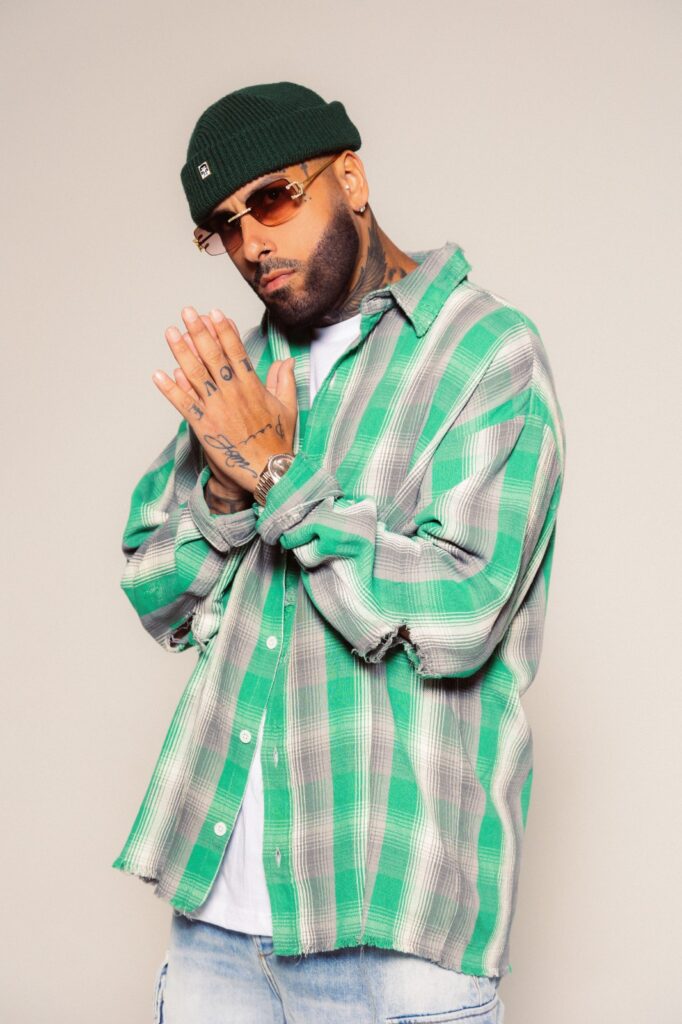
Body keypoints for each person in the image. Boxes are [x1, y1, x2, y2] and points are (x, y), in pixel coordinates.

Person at [112, 81, 566, 1023]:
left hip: (392, 939)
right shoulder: (243, 373)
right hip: (216, 936)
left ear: (350, 178)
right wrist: (226, 494)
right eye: (225, 226)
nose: (252, 244)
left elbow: (461, 614)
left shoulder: (487, 353)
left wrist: (279, 475)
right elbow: (155, 589)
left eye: (273, 199)